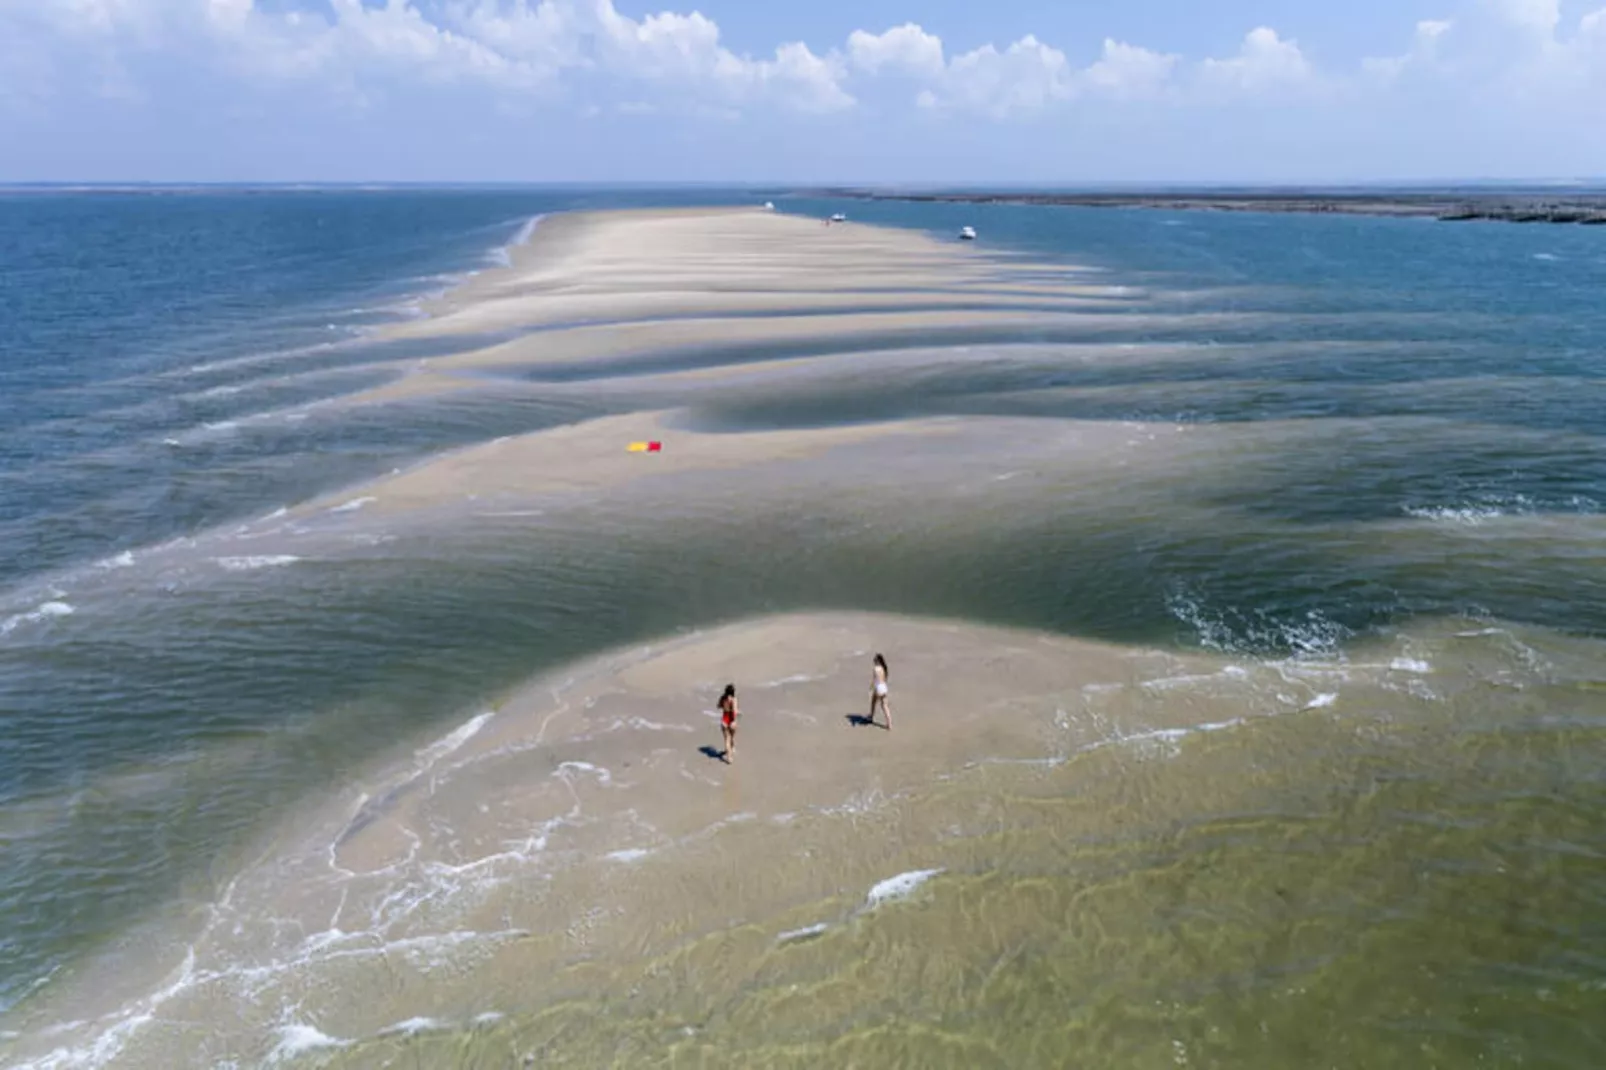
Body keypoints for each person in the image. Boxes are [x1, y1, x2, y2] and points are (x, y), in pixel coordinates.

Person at [868, 654, 891, 730]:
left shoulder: (876, 668)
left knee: (873, 702)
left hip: (878, 688)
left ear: (877, 661)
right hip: (884, 687)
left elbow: (874, 680)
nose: (874, 662)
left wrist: (871, 688)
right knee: (885, 706)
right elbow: (884, 679)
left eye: (874, 660)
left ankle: (871, 717)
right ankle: (889, 724)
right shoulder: (884, 668)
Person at [718, 683, 739, 763]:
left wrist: (725, 707)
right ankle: (731, 753)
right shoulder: (734, 699)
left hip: (724, 720)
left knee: (727, 739)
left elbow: (718, 706)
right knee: (732, 737)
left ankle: (729, 755)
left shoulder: (723, 698)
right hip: (732, 720)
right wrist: (734, 719)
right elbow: (734, 711)